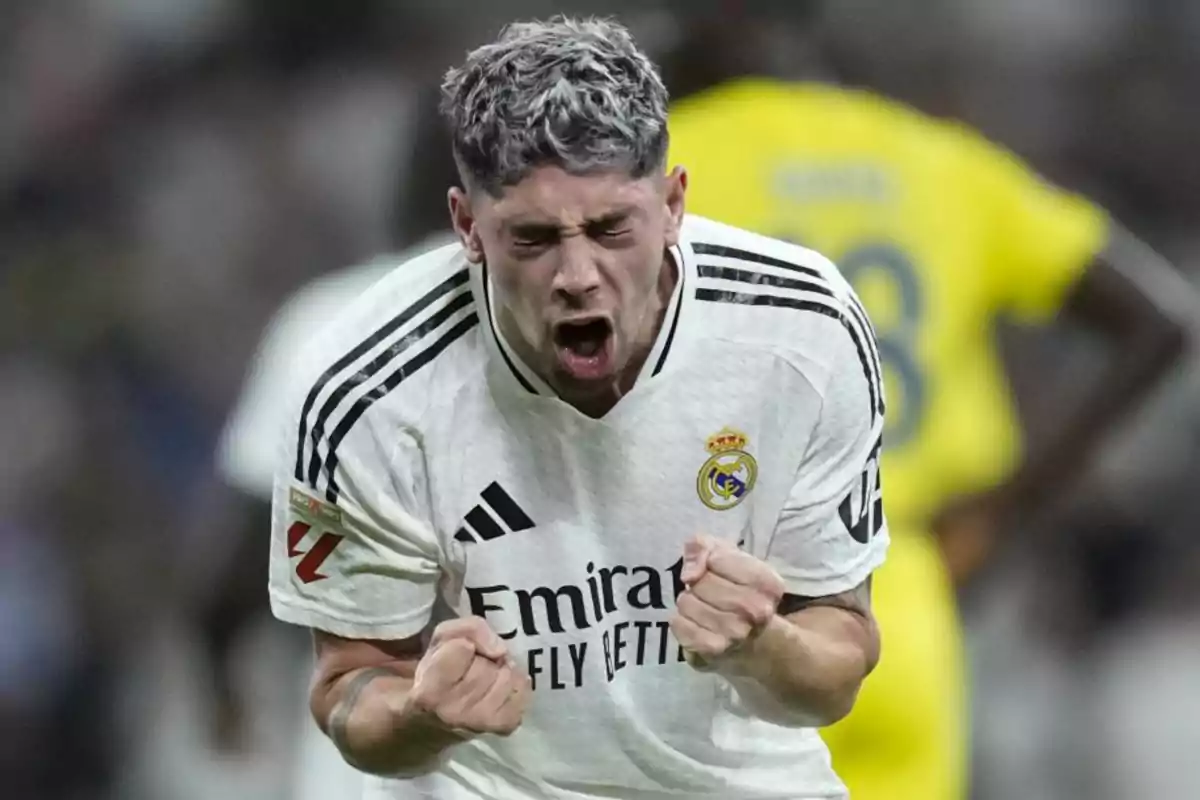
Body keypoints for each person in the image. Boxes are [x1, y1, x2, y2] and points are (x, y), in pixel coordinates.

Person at [267, 16, 889, 800]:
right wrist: (425, 714)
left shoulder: (803, 329)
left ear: (673, 203)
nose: (578, 274)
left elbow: (837, 670)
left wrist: (762, 645)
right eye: (532, 239)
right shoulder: (366, 388)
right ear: (467, 226)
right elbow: (349, 687)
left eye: (610, 228)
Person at [661, 8, 1193, 800]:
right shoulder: (935, 159)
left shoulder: (666, 162)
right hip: (903, 596)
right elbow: (1158, 322)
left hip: (714, 600)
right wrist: (1005, 510)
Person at [213, 86, 460, 799]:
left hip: (368, 728)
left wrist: (220, 674)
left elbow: (249, 538)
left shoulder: (328, 319)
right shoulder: (582, 316)